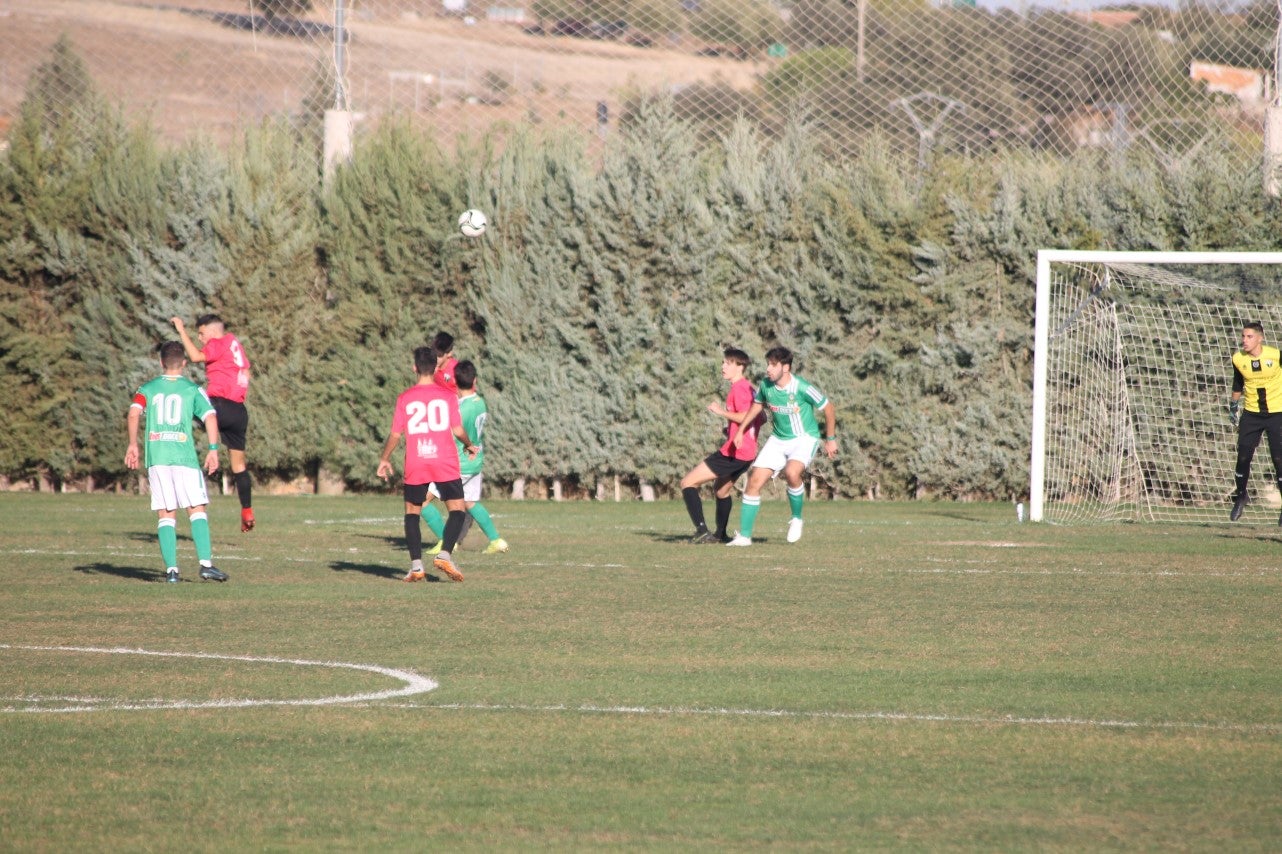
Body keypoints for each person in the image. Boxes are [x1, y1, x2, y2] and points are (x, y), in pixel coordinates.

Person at [124, 341, 229, 583]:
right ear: (184, 363)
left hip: (158, 458)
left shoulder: (147, 388)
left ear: (161, 362)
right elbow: (210, 416)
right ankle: (206, 565)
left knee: (166, 512)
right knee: (196, 508)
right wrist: (213, 449)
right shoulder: (192, 389)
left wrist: (133, 444)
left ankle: (172, 571)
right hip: (184, 457)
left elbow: (133, 413)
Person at [377, 346, 479, 582]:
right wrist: (468, 444)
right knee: (457, 510)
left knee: (412, 512)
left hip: (417, 461)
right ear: (435, 368)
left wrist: (384, 459)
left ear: (414, 368)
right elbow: (457, 429)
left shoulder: (404, 398)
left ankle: (416, 566)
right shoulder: (448, 396)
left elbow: (395, 434)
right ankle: (444, 555)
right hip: (444, 460)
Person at [726, 346, 837, 546]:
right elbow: (757, 406)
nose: (768, 368)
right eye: (768, 364)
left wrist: (830, 439)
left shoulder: (802, 387)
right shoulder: (766, 385)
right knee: (754, 481)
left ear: (785, 367)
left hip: (804, 438)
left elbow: (828, 408)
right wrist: (741, 430)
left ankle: (796, 518)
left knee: (792, 472)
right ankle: (744, 537)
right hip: (778, 439)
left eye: (773, 365)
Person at [170, 313, 255, 533]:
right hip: (238, 411)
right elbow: (246, 373)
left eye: (201, 333)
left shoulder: (219, 342)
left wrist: (181, 330)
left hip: (219, 405)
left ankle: (174, 447)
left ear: (213, 330)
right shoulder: (235, 345)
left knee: (183, 401)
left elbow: (195, 356)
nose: (200, 338)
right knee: (239, 466)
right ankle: (247, 510)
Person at [421, 360, 510, 555]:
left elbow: (450, 434)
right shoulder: (480, 403)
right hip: (475, 462)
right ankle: (496, 540)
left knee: (421, 500)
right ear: (475, 380)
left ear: (454, 381)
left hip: (457, 463)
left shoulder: (459, 409)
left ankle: (447, 541)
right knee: (469, 502)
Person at [680, 347, 765, 544]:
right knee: (721, 490)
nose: (723, 366)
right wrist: (734, 431)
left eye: (728, 363)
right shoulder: (749, 388)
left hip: (734, 453)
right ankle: (720, 535)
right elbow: (761, 417)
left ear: (740, 366)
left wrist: (721, 413)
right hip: (747, 453)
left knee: (687, 483)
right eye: (723, 362)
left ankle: (702, 531)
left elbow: (747, 416)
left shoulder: (739, 389)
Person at [1228, 321, 1282, 524]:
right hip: (1251, 415)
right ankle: (1241, 496)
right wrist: (1233, 406)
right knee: (1243, 457)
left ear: (1260, 338)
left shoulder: (1276, 356)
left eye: (1249, 336)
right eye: (1243, 336)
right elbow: (1238, 384)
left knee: (1279, 460)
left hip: (1277, 414)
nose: (1244, 340)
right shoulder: (1238, 358)